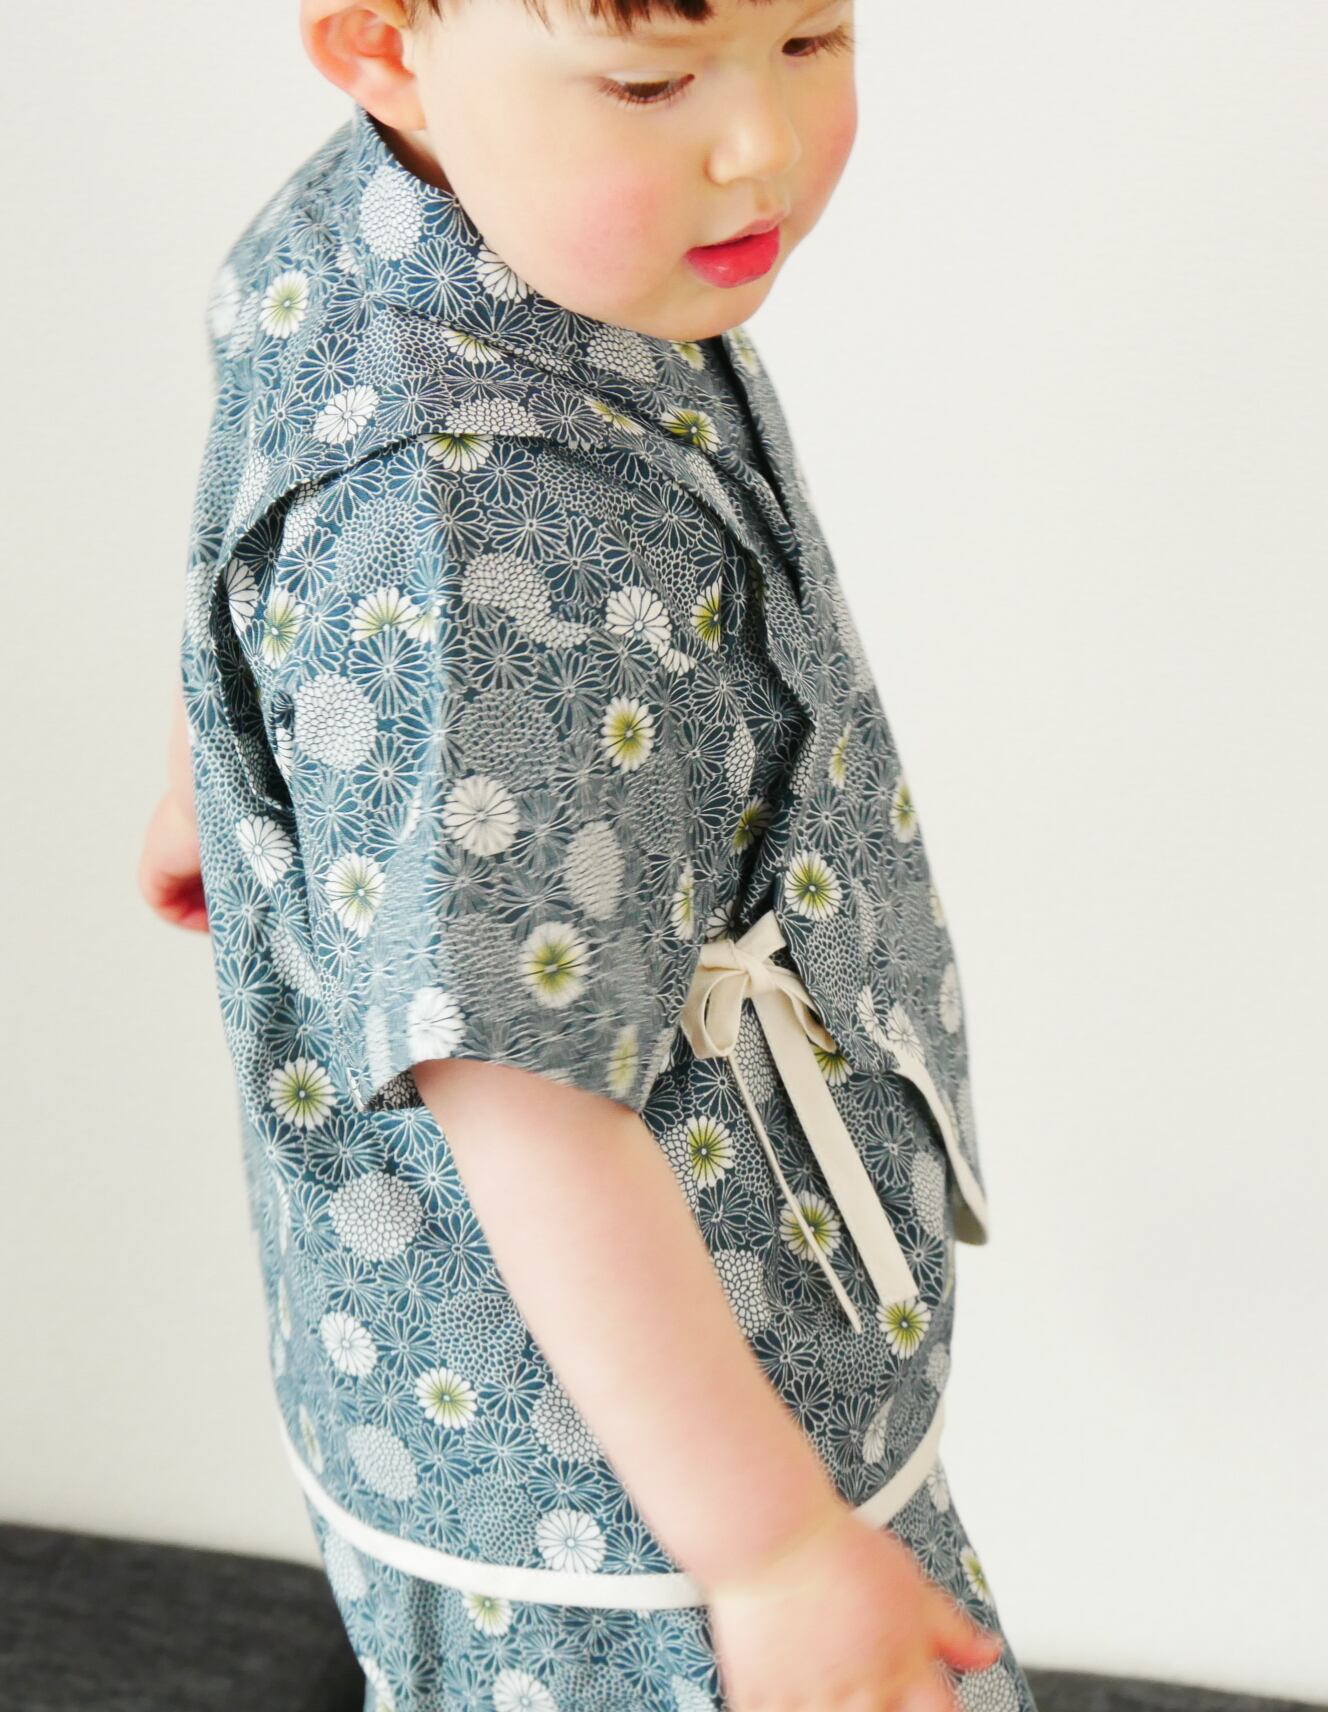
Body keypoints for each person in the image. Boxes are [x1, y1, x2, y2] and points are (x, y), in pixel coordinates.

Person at [139, 2, 1035, 1707]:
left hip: (534, 1398)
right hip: (646, 1483)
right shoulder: (469, 514)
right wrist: (770, 1548)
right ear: (382, 45)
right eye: (651, 82)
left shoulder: (383, 225)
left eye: (813, 37)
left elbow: (262, 449)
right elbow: (523, 1093)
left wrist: (222, 770)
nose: (757, 144)